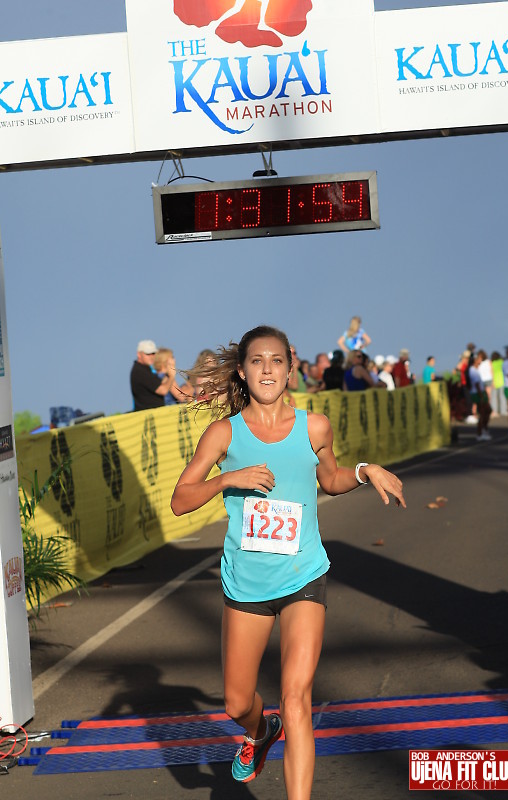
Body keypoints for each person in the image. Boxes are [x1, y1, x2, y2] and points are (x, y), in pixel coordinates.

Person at [170, 325, 406, 800]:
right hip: (247, 585)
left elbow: (332, 479)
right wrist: (227, 479)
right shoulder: (224, 433)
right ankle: (260, 732)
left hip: (303, 576)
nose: (267, 370)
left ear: (291, 369)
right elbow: (180, 500)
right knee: (237, 702)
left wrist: (363, 471)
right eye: (257, 361)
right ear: (242, 370)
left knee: (297, 697)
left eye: (276, 361)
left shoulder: (313, 427)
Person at [130, 339, 183, 411]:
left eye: (154, 353)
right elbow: (163, 390)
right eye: (148, 354)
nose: (151, 356)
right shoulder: (139, 371)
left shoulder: (146, 370)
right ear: (139, 354)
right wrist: (171, 376)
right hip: (150, 415)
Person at [467, 352, 491, 441]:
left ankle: (484, 429)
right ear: (475, 360)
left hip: (481, 392)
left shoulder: (476, 369)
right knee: (482, 413)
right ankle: (479, 433)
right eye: (479, 359)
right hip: (478, 393)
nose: (480, 360)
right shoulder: (472, 370)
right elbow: (476, 384)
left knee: (487, 411)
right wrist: (481, 396)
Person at [490, 351, 505, 416]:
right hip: (502, 381)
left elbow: (491, 372)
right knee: (503, 397)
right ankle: (503, 411)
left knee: (494, 398)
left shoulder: (491, 363)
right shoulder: (502, 362)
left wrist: (492, 382)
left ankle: (494, 411)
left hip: (494, 382)